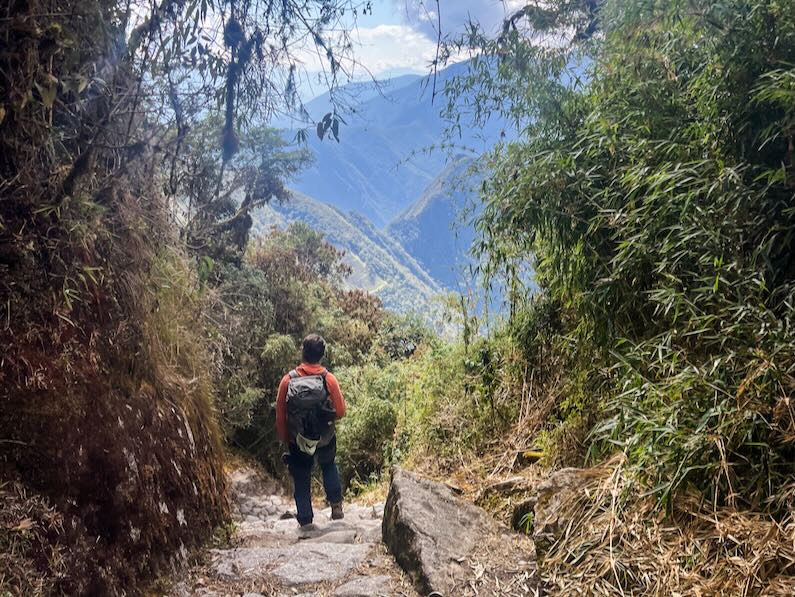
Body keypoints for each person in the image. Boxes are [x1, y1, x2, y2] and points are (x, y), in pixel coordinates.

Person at [276, 333, 346, 527]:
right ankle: (336, 507)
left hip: (298, 439)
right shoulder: (328, 379)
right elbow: (340, 411)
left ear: (303, 353)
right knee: (329, 464)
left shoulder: (287, 381)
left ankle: (305, 518)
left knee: (301, 473)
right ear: (322, 355)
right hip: (324, 437)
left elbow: (281, 414)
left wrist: (286, 437)